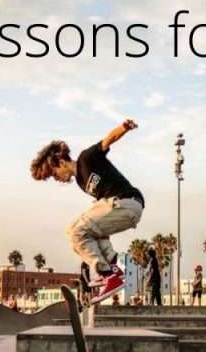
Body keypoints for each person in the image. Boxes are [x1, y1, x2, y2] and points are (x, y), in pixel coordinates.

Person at [30, 119, 144, 305]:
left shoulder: (86, 159)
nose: (57, 179)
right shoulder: (81, 183)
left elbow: (108, 140)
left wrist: (124, 127)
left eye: (53, 174)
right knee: (92, 231)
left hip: (126, 201)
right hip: (120, 207)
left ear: (59, 161)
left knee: (75, 231)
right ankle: (113, 269)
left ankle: (107, 274)